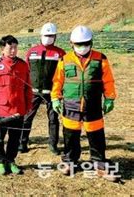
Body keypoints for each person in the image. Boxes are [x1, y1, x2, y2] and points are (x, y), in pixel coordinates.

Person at [51, 25, 117, 181]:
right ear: (71, 44)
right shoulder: (64, 60)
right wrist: (55, 98)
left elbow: (108, 80)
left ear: (91, 42)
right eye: (78, 44)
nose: (82, 47)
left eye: (86, 43)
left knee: (96, 136)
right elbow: (57, 81)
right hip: (71, 105)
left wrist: (110, 98)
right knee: (70, 136)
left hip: (92, 106)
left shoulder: (100, 58)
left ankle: (100, 165)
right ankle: (69, 161)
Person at [0, 35, 32, 175]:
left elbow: (28, 88)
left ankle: (10, 160)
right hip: (1, 110)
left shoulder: (23, 66)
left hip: (18, 109)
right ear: (2, 49)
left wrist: (28, 105)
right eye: (10, 48)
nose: (13, 50)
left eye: (15, 47)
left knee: (15, 138)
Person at [20, 23, 66, 154]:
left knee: (53, 119)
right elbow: (26, 71)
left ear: (55, 37)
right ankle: (22, 143)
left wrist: (61, 91)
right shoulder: (32, 51)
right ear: (41, 36)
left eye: (51, 35)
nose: (48, 38)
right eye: (46, 35)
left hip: (53, 93)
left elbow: (63, 74)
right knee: (27, 118)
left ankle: (53, 145)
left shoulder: (60, 53)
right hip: (33, 92)